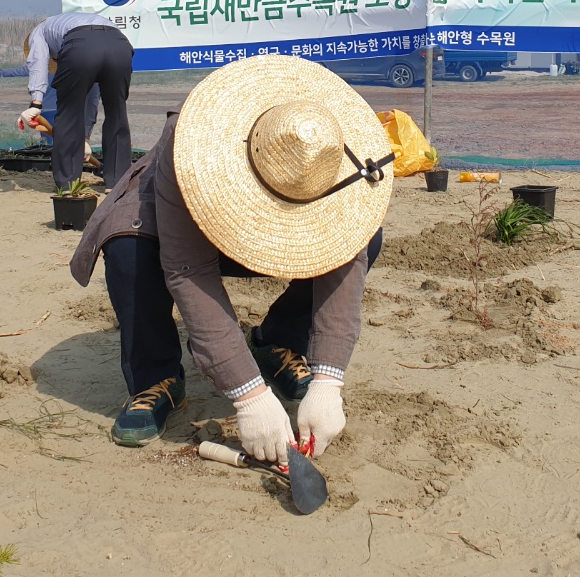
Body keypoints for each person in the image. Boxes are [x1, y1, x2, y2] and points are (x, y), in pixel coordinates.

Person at [69, 55, 393, 461]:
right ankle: (159, 379)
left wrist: (329, 379)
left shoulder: (333, 152)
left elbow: (345, 267)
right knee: (129, 247)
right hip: (168, 216)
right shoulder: (189, 140)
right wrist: (249, 395)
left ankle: (277, 342)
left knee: (364, 239)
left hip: (269, 228)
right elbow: (188, 270)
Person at [19, 13, 133, 190]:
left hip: (80, 48)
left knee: (68, 115)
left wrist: (36, 104)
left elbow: (37, 63)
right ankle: (118, 183)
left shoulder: (39, 31)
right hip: (120, 45)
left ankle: (68, 184)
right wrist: (84, 138)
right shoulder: (76, 22)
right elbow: (91, 92)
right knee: (117, 113)